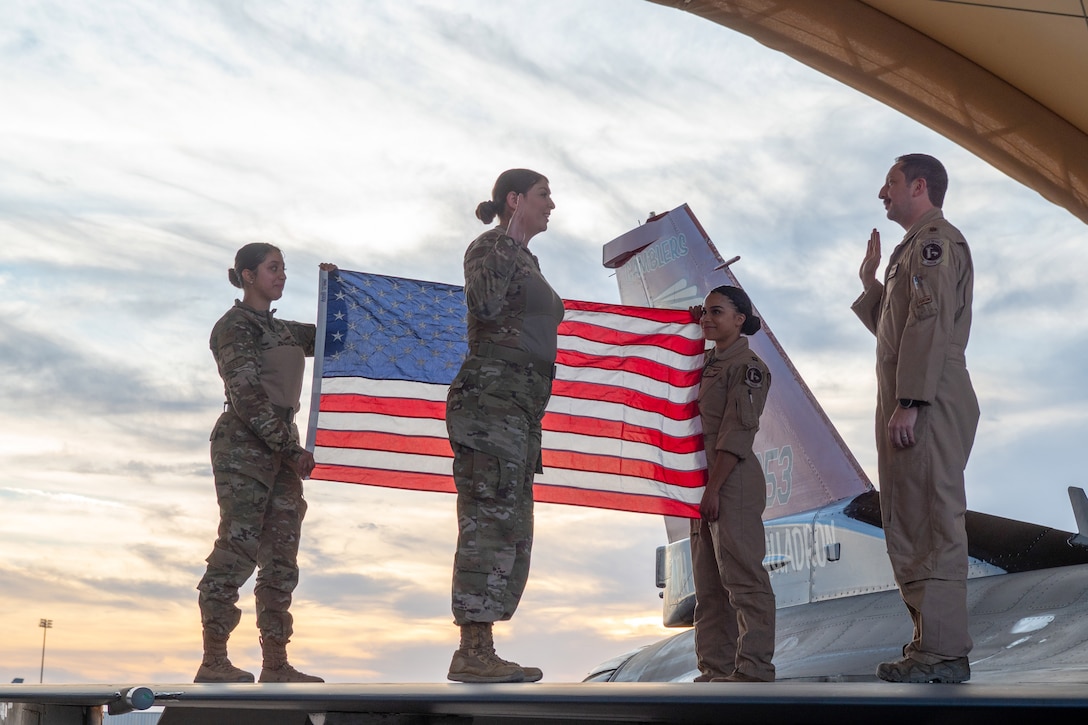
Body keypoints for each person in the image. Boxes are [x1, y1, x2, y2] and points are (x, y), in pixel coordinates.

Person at [852, 154, 978, 683]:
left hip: (925, 399)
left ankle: (945, 653)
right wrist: (872, 284)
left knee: (931, 519)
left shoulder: (935, 244)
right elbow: (899, 329)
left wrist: (912, 402)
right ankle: (930, 647)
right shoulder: (912, 252)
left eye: (892, 182)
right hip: (910, 394)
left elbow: (928, 326)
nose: (883, 192)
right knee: (908, 520)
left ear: (920, 186)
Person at [195, 242, 334, 684]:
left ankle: (276, 663)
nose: (282, 275)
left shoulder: (284, 331)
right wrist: (290, 450)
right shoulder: (234, 328)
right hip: (245, 444)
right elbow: (248, 397)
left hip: (282, 448)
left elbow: (334, 334)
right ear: (248, 275)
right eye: (273, 268)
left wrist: (337, 291)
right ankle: (214, 658)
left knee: (281, 558)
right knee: (238, 548)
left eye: (284, 269)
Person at [445, 169, 561, 683]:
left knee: (511, 528)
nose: (552, 205)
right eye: (543, 195)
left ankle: (484, 647)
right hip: (489, 406)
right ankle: (472, 650)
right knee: (487, 522)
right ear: (514, 200)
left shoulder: (527, 260)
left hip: (518, 413)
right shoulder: (489, 247)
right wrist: (509, 237)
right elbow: (484, 304)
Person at [688, 286, 776, 683]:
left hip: (731, 480)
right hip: (703, 482)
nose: (707, 318)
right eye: (704, 312)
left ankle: (754, 668)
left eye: (716, 312)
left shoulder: (749, 367)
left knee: (742, 579)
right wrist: (687, 324)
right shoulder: (707, 362)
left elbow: (735, 434)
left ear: (739, 319)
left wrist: (713, 490)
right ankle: (715, 671)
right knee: (708, 586)